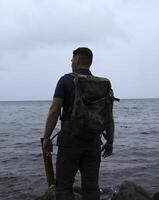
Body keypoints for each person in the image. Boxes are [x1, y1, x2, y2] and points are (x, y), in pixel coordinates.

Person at [42, 47, 115, 200]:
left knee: (63, 188)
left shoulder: (66, 80)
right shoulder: (103, 85)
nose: (70, 62)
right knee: (91, 188)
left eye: (72, 59)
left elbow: (54, 111)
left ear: (77, 60)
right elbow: (109, 117)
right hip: (93, 144)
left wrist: (47, 138)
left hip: (69, 144)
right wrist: (110, 142)